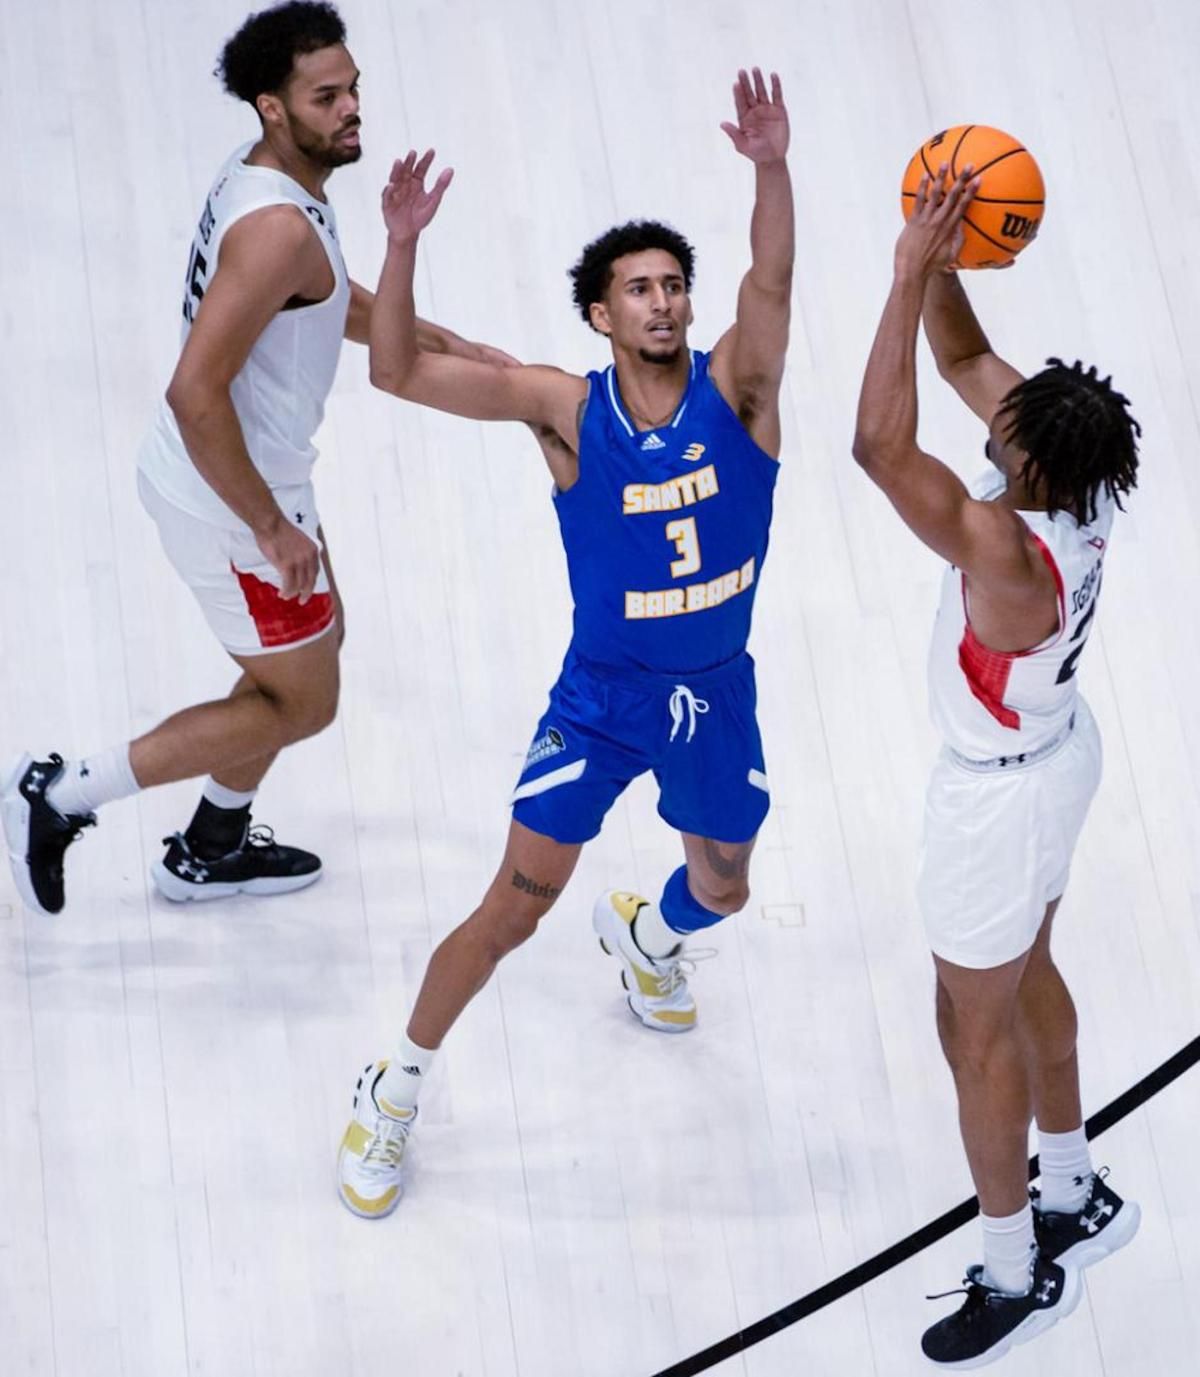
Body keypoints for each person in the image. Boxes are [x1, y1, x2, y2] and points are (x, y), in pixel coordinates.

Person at [335, 68, 794, 1218]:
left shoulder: (739, 391)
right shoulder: (564, 408)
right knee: (515, 907)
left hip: (714, 695)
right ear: (599, 313)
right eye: (638, 289)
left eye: (675, 285)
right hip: (602, 700)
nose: (664, 302)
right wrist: (399, 248)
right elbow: (393, 371)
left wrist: (770, 168)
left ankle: (649, 935)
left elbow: (774, 280)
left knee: (725, 889)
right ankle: (393, 1085)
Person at [2, 1, 507, 915]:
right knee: (305, 704)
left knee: (312, 653)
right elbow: (193, 392)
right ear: (274, 106)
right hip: (232, 499)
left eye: (354, 88)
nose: (352, 108)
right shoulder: (274, 224)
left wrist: (450, 340)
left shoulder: (270, 181)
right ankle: (60, 794)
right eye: (328, 96)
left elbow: (320, 297)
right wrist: (270, 527)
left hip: (241, 485)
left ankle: (212, 842)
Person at [852, 168, 1142, 1367]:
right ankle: (1075, 1186)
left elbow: (878, 443)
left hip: (1000, 800)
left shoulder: (1009, 556)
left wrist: (905, 268)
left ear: (1023, 466)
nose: (992, 414)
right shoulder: (1074, 471)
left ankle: (1018, 1266)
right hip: (1060, 756)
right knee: (1029, 979)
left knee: (970, 1033)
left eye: (1001, 429)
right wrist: (949, 244)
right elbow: (969, 356)